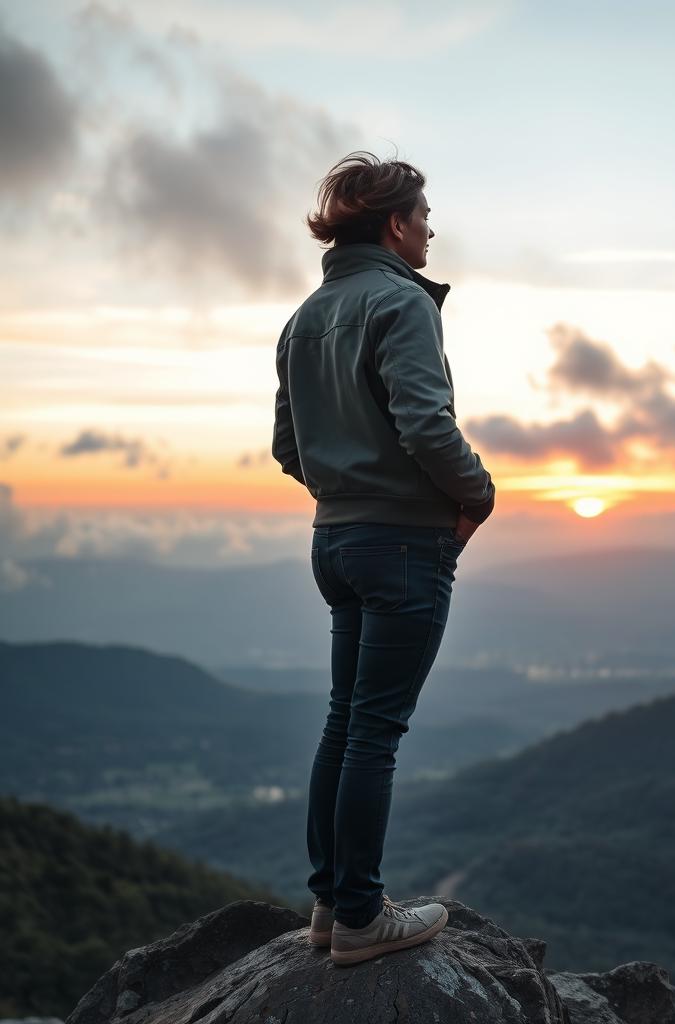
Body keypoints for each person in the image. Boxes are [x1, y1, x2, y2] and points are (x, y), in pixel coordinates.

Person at [271, 150, 496, 966]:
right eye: (425, 216)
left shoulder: (303, 317)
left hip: (335, 542)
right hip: (403, 544)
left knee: (344, 721)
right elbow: (427, 427)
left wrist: (345, 490)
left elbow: (287, 447)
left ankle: (332, 906)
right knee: (375, 732)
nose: (433, 229)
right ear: (396, 224)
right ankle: (363, 918)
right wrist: (479, 494)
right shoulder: (401, 302)